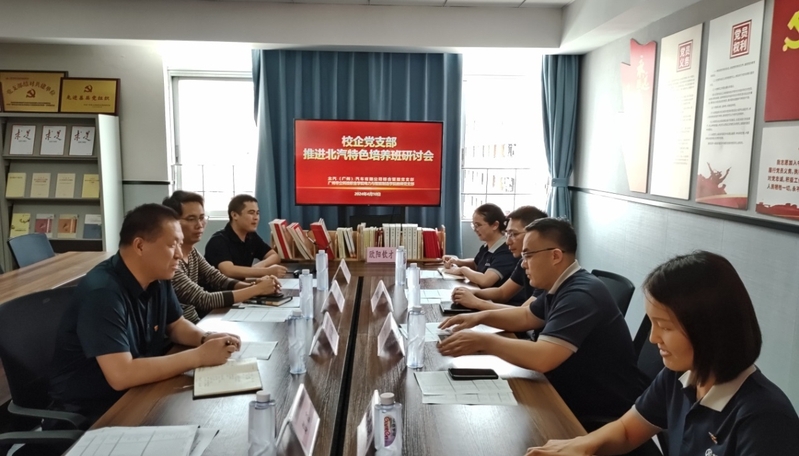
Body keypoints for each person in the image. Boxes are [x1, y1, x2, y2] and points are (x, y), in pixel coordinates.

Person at [526, 251, 799, 455]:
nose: (653, 338)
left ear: (710, 329)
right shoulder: (679, 377)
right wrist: (581, 446)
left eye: (665, 327)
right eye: (652, 324)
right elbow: (626, 431)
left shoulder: (765, 419)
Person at [438, 217, 646, 422]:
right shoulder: (561, 285)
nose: (523, 264)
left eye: (528, 255)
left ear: (555, 256)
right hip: (567, 389)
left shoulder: (580, 295)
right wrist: (479, 317)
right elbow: (526, 316)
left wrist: (484, 341)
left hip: (596, 409)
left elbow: (542, 358)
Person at [48, 204, 240, 423]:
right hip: (92, 411)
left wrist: (204, 338)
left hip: (138, 390)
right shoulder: (102, 293)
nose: (179, 254)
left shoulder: (158, 276)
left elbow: (176, 325)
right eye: (172, 245)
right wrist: (199, 356)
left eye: (180, 244)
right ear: (140, 246)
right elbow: (121, 375)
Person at [162, 191, 281, 323]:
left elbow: (217, 278)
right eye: (191, 219)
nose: (199, 225)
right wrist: (256, 289)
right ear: (172, 223)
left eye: (202, 218)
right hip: (186, 327)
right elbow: (203, 299)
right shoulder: (168, 260)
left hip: (195, 323)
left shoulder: (192, 252)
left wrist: (254, 286)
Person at [451, 205, 548, 310]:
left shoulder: (547, 269)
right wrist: (472, 292)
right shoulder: (524, 261)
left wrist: (477, 303)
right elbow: (502, 293)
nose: (507, 242)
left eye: (514, 234)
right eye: (508, 234)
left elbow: (525, 314)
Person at [204, 194, 287, 279]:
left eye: (257, 213)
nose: (256, 218)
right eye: (251, 213)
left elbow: (274, 256)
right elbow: (228, 271)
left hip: (242, 284)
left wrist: (257, 267)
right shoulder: (218, 240)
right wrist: (267, 271)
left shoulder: (251, 236)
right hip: (220, 287)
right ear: (234, 215)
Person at [442, 203, 516, 288]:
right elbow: (476, 264)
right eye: (474, 226)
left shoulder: (506, 251)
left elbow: (485, 281)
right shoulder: (486, 246)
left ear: (495, 225)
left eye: (478, 225)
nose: (475, 230)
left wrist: (463, 270)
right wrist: (457, 261)